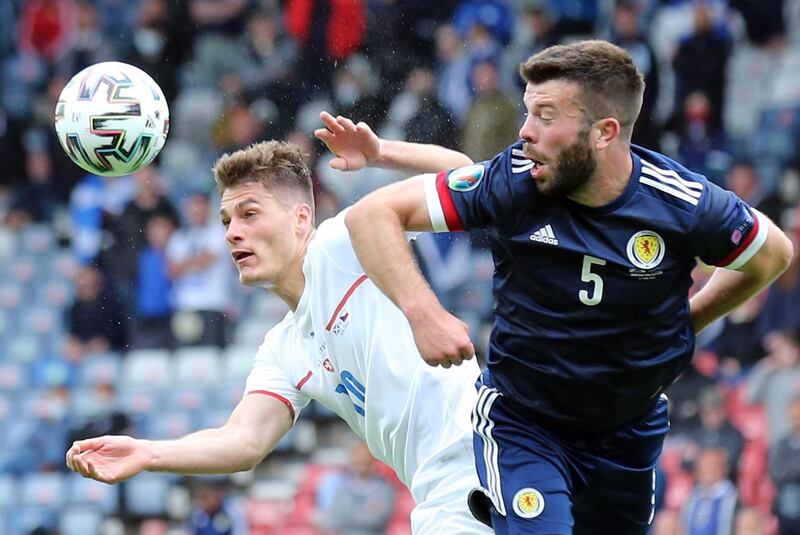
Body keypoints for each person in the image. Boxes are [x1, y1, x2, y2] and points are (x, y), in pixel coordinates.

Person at [336, 40, 793, 534]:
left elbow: (772, 256)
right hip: (526, 424)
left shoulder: (683, 203)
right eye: (527, 111)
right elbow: (372, 215)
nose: (524, 132)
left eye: (545, 116)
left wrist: (690, 317)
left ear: (604, 132)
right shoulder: (513, 180)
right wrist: (422, 311)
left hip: (628, 435)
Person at [65, 141, 491, 535]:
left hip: (484, 460)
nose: (232, 232)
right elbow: (243, 442)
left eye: (249, 214)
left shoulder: (341, 243)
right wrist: (147, 454)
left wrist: (381, 152)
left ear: (301, 218)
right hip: (439, 493)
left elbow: (468, 177)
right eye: (227, 221)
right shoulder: (283, 348)